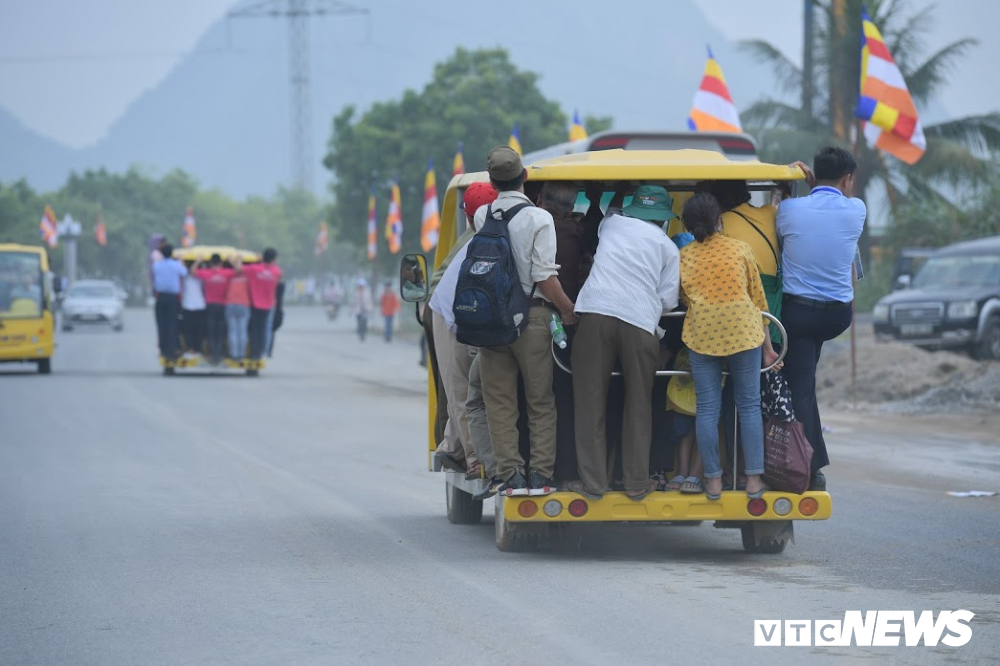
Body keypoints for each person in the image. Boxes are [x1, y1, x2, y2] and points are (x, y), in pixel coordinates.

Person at [567, 185, 680, 501]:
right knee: (639, 402)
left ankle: (593, 483)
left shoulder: (613, 224)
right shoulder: (668, 248)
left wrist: (618, 191)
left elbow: (611, 211)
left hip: (596, 314)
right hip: (640, 323)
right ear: (663, 217)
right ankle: (635, 483)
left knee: (590, 402)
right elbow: (668, 301)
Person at [475, 145, 577, 496]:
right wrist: (567, 309)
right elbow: (544, 277)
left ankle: (511, 474)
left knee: (500, 402)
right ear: (526, 177)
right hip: (533, 318)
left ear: (491, 181)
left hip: (492, 320)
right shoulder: (539, 219)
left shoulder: (483, 216)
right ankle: (540, 476)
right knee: (540, 401)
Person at [776, 146, 866, 490]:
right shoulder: (857, 210)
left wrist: (796, 188)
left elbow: (785, 227)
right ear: (847, 179)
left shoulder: (788, 208)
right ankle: (813, 461)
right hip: (837, 316)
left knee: (800, 387)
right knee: (805, 382)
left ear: (812, 174)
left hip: (797, 315)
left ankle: (808, 468)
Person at [679, 193, 779, 500]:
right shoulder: (740, 249)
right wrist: (768, 348)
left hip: (703, 333)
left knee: (708, 408)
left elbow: (682, 298)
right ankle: (752, 481)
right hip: (744, 330)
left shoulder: (685, 256)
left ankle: (712, 481)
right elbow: (758, 300)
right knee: (748, 406)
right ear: (719, 219)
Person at [425, 182, 499, 474]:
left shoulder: (482, 232)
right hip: (447, 311)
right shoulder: (479, 239)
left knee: (466, 386)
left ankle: (451, 446)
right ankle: (475, 459)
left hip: (466, 310)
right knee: (462, 387)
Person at [194, 253, 234, 364]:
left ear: (211, 263)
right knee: (220, 331)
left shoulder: (206, 273)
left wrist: (198, 261)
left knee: (211, 331)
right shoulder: (226, 273)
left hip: (209, 306)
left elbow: (192, 271)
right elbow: (239, 271)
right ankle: (219, 354)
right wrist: (231, 260)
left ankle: (212, 354)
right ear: (221, 263)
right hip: (222, 306)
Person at [243, 248, 282, 360]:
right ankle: (264, 351)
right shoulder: (276, 271)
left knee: (255, 330)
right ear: (274, 259)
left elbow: (239, 269)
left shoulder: (254, 269)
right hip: (269, 305)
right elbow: (277, 277)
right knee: (266, 329)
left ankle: (254, 351)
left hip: (255, 304)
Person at [151, 243, 187, 360]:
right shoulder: (176, 265)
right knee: (172, 324)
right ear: (172, 253)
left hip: (160, 298)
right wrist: (181, 261)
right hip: (172, 298)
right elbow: (185, 273)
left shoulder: (157, 266)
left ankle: (163, 349)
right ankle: (172, 350)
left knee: (162, 325)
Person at [225, 257, 251, 360]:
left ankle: (234, 354)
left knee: (233, 331)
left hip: (231, 304)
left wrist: (232, 262)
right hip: (244, 305)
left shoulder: (228, 276)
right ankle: (241, 354)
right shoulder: (248, 276)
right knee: (242, 331)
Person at [180, 260, 207, 356]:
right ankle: (191, 349)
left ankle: (197, 349)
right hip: (188, 306)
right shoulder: (185, 275)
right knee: (189, 330)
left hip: (199, 306)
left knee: (198, 330)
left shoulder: (201, 275)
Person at [268, 280, 285, 357]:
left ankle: (267, 349)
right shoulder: (281, 286)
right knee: (271, 331)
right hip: (278, 312)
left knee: (269, 330)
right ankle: (268, 350)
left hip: (274, 311)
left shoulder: (278, 286)